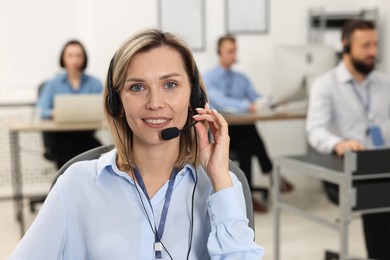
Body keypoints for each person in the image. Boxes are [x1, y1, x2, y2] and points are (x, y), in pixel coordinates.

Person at [9, 29, 264, 259]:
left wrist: (219, 177)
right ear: (116, 102)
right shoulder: (77, 184)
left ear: (193, 97)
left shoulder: (222, 184)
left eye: (170, 84)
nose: (155, 102)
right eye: (138, 87)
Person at [306, 19, 390, 260]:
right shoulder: (326, 84)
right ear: (345, 46)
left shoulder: (384, 83)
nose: (373, 51)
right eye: (365, 45)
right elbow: (314, 129)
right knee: (382, 195)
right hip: (346, 168)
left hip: (384, 163)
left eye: (376, 44)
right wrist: (338, 144)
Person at [203, 34, 294, 212]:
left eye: (235, 51)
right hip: (220, 132)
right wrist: (248, 106)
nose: (233, 55)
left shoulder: (241, 78)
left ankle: (247, 195)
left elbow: (256, 97)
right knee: (249, 131)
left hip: (240, 132)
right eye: (230, 51)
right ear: (219, 52)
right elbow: (221, 102)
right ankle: (271, 174)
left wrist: (271, 101)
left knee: (247, 141)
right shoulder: (209, 78)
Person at [37, 40, 103, 169]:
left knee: (103, 154)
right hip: (61, 138)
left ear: (84, 59)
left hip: (85, 136)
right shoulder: (53, 84)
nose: (75, 60)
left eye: (79, 56)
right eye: (70, 56)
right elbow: (42, 109)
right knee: (74, 157)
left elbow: (104, 107)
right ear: (63, 58)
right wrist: (54, 112)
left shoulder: (95, 83)